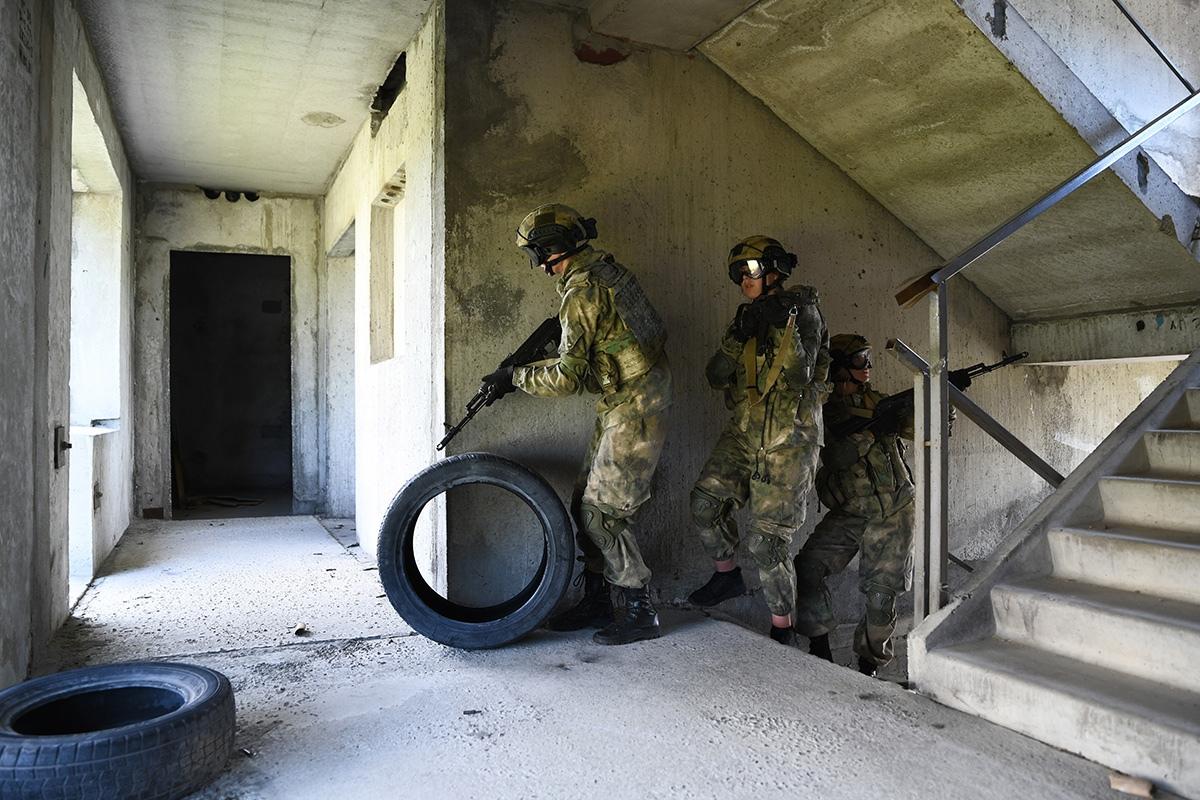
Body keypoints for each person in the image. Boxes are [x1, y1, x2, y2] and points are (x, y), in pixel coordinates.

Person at [482, 203, 672, 646]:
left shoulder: (582, 293)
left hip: (638, 404)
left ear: (555, 249)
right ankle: (600, 599)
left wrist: (516, 377)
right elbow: (599, 359)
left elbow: (568, 379)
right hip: (627, 397)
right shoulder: (608, 273)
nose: (540, 267)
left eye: (538, 256)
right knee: (583, 500)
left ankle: (639, 609)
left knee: (601, 513)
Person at [686, 236, 830, 645]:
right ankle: (726, 575)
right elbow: (715, 376)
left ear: (774, 271)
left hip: (790, 440)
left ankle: (782, 629)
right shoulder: (748, 317)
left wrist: (781, 324)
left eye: (749, 271)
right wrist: (740, 332)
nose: (743, 281)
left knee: (767, 542)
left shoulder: (802, 313)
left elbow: (800, 378)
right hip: (746, 432)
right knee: (705, 504)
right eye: (738, 274)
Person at [793, 333, 915, 676]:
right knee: (808, 567)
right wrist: (874, 432)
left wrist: (940, 401)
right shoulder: (819, 410)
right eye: (862, 361)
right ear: (841, 368)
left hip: (894, 510)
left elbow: (928, 428)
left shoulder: (878, 403)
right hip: (851, 510)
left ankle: (868, 667)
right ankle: (819, 650)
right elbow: (836, 456)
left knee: (881, 597)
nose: (869, 368)